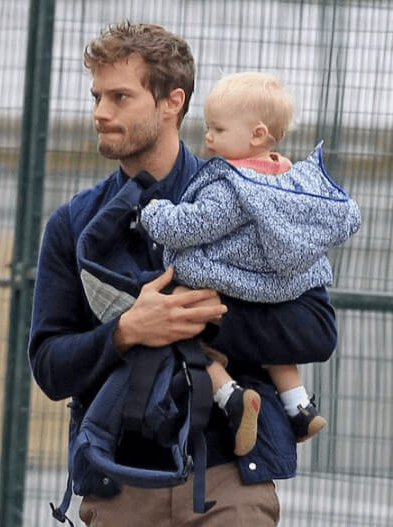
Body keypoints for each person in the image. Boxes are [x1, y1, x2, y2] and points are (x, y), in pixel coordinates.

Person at [28, 22, 338, 527]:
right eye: (97, 96)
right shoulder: (72, 224)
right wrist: (127, 331)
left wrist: (204, 316)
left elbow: (316, 332)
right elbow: (49, 366)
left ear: (173, 101)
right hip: (118, 485)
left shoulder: (250, 196)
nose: (100, 112)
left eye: (120, 97)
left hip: (232, 484)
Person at [139, 71, 360, 454]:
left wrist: (153, 211)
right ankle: (299, 406)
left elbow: (193, 227)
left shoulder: (233, 187)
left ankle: (230, 396)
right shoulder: (287, 175)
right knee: (276, 350)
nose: (207, 137)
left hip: (230, 281)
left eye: (218, 129)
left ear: (256, 134)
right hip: (286, 287)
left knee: (183, 328)